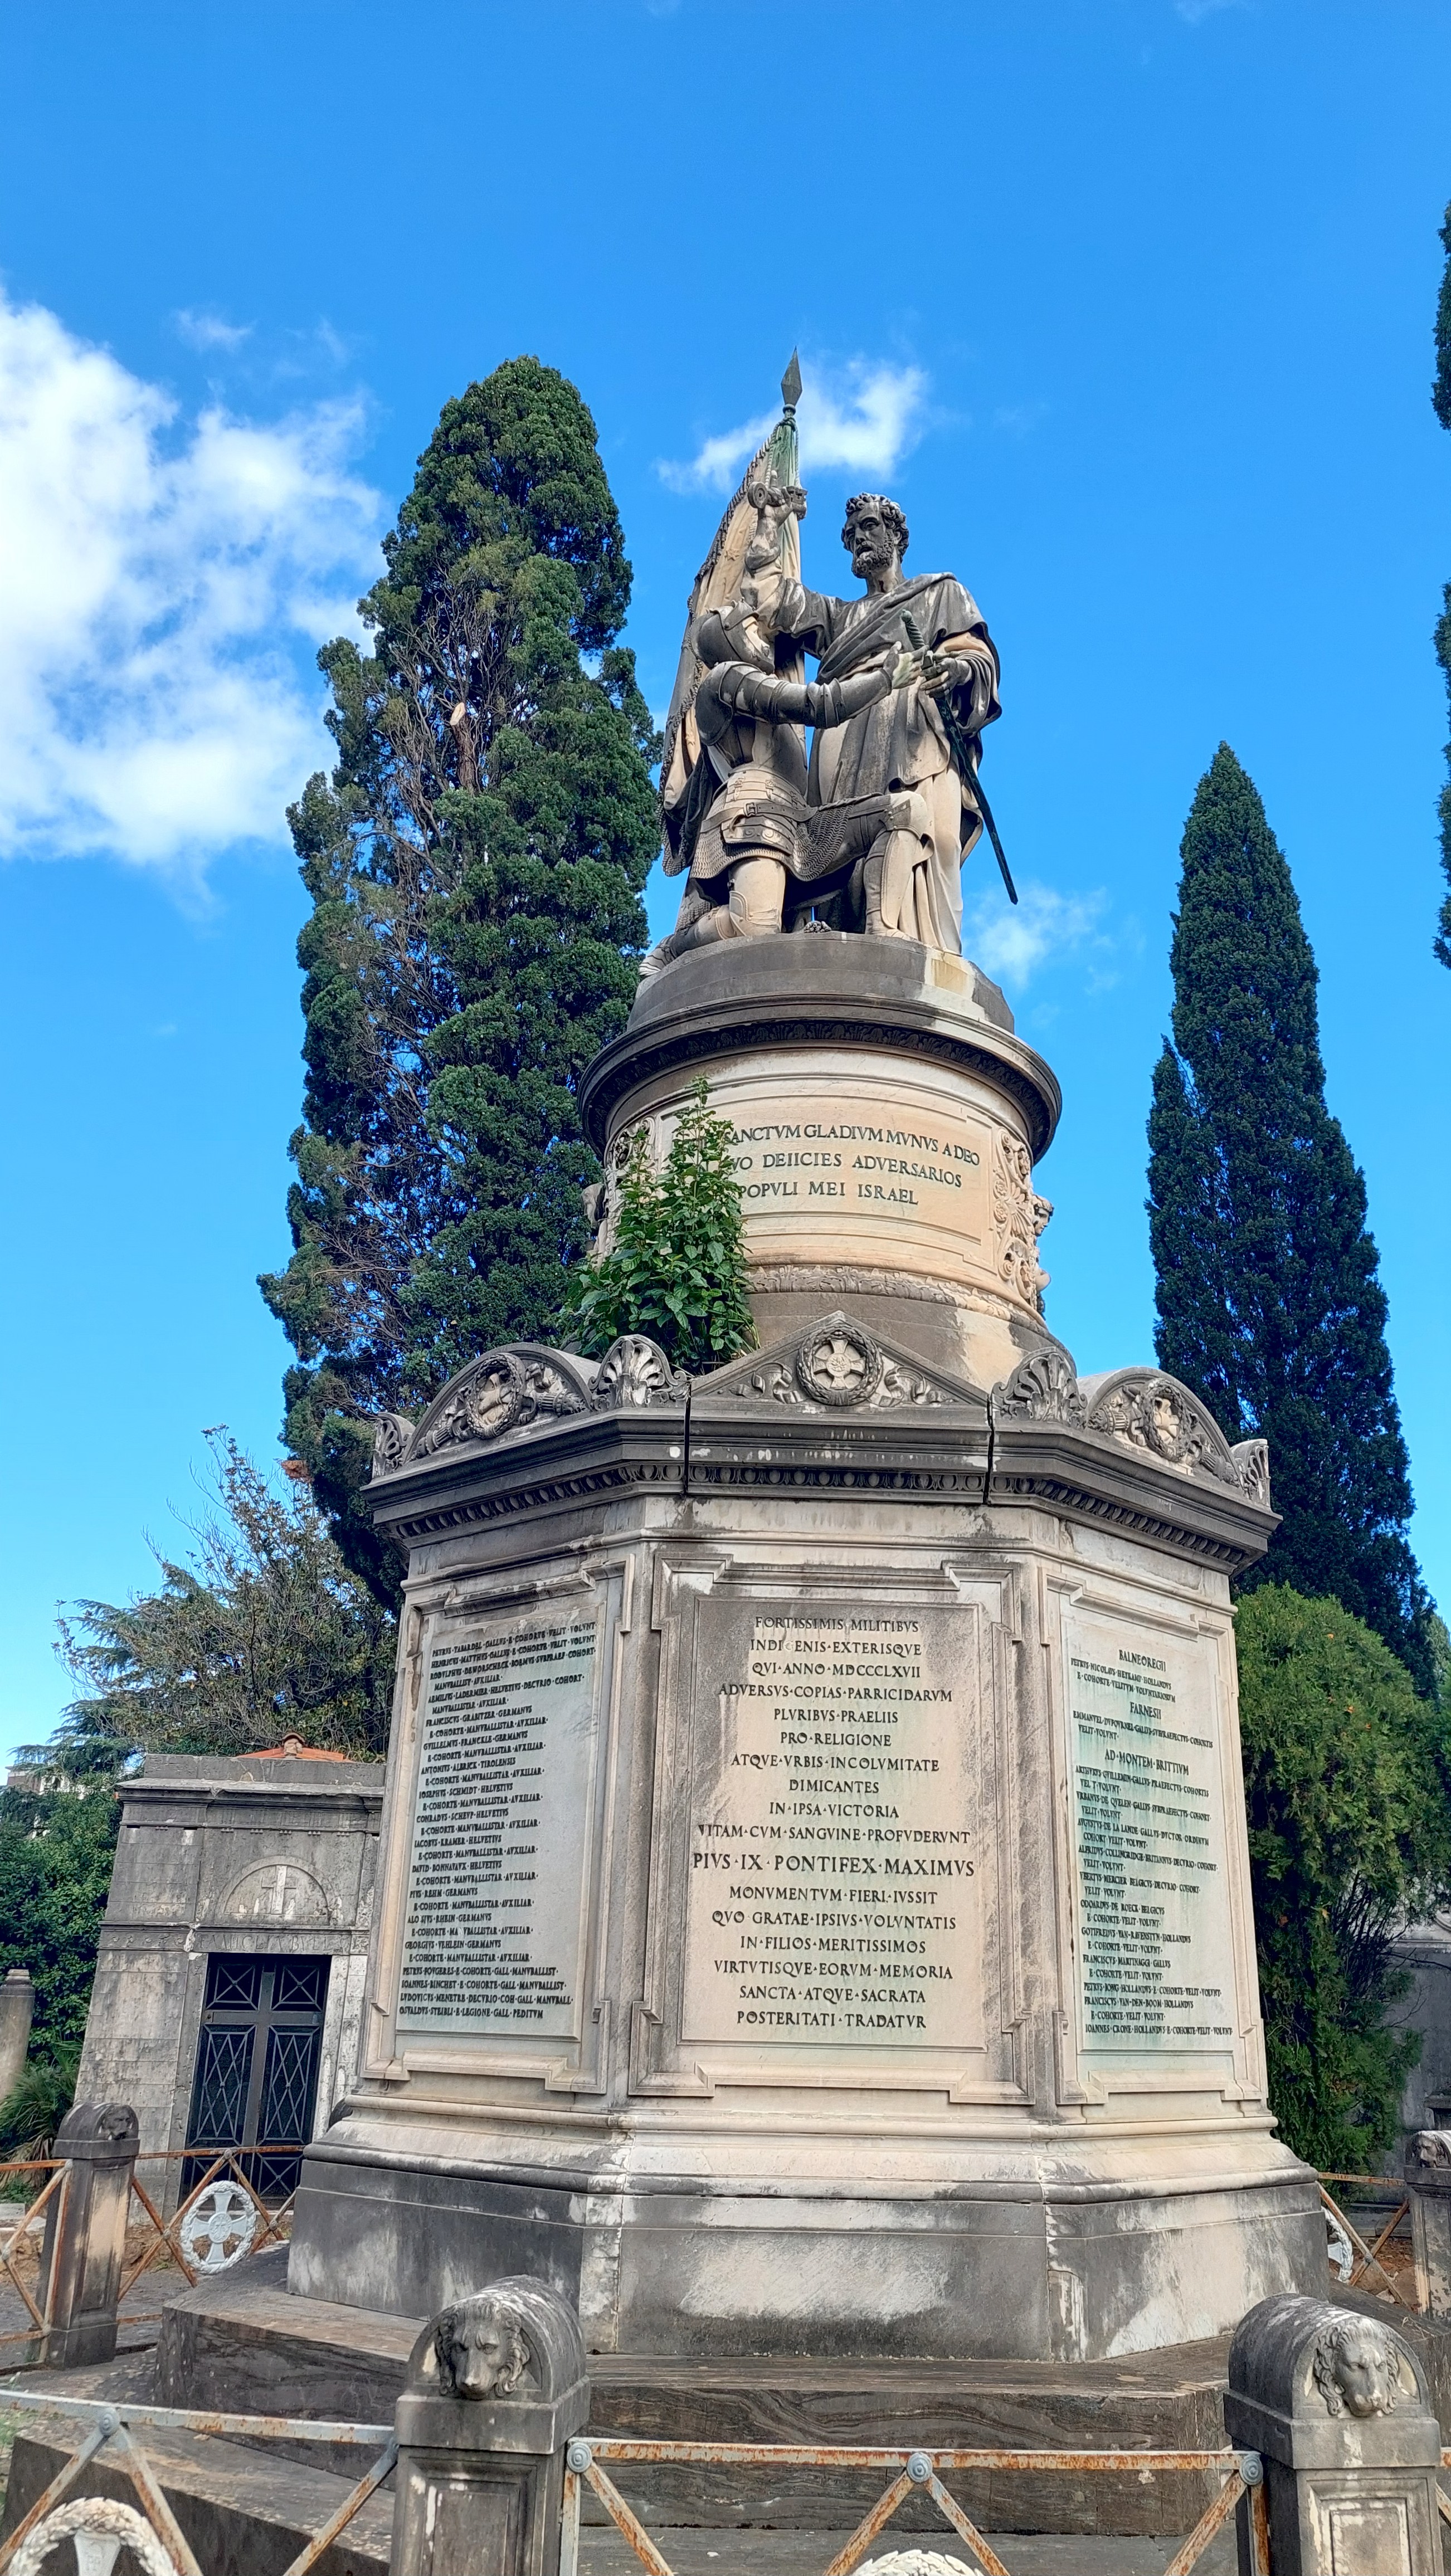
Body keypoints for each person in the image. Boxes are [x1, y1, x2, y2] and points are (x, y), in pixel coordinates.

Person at [761, 492, 1001, 955]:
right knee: (842, 843)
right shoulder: (839, 617)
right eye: (850, 535)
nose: (858, 540)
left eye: (869, 527)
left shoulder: (940, 592)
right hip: (845, 731)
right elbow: (776, 599)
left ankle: (924, 950)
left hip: (917, 729)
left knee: (937, 837)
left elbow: (977, 658)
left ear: (896, 535)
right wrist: (773, 519)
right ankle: (848, 944)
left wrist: (954, 670)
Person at [640, 593, 927, 975]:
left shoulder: (757, 681)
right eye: (751, 629)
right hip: (752, 819)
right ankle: (677, 946)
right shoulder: (726, 678)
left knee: (905, 811)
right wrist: (886, 678)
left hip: (799, 821)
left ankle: (882, 929)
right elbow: (817, 706)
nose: (763, 635)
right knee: (755, 928)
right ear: (729, 641)